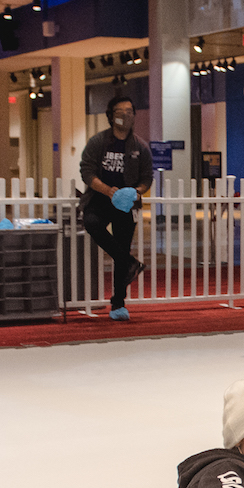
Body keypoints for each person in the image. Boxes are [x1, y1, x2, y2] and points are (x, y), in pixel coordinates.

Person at [79, 94, 154, 321]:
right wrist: (108, 190)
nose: (125, 116)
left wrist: (136, 191)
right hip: (101, 199)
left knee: (122, 245)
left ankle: (118, 304)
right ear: (111, 116)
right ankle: (128, 262)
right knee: (91, 222)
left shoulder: (140, 147)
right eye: (121, 112)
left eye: (130, 112)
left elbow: (147, 178)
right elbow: (87, 172)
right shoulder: (97, 142)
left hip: (126, 203)